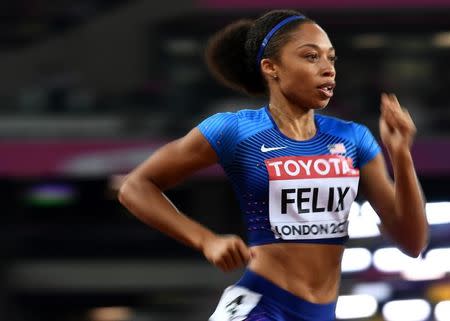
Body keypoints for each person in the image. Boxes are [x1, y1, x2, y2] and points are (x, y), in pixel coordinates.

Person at [118, 9, 428, 321]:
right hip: (260, 306)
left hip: (322, 313)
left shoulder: (353, 138)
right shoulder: (235, 130)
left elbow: (412, 243)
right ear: (271, 67)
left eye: (331, 58)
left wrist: (400, 153)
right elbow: (136, 187)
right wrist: (206, 240)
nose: (328, 69)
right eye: (311, 57)